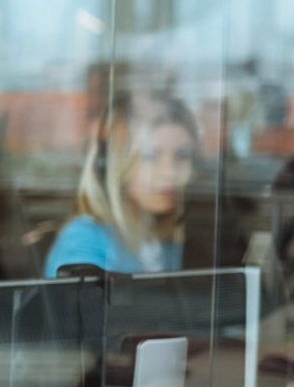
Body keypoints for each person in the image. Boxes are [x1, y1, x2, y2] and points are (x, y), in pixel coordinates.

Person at [45, 93, 197, 276]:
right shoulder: (84, 240)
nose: (171, 172)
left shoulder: (162, 236)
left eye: (181, 156)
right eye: (150, 156)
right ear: (117, 163)